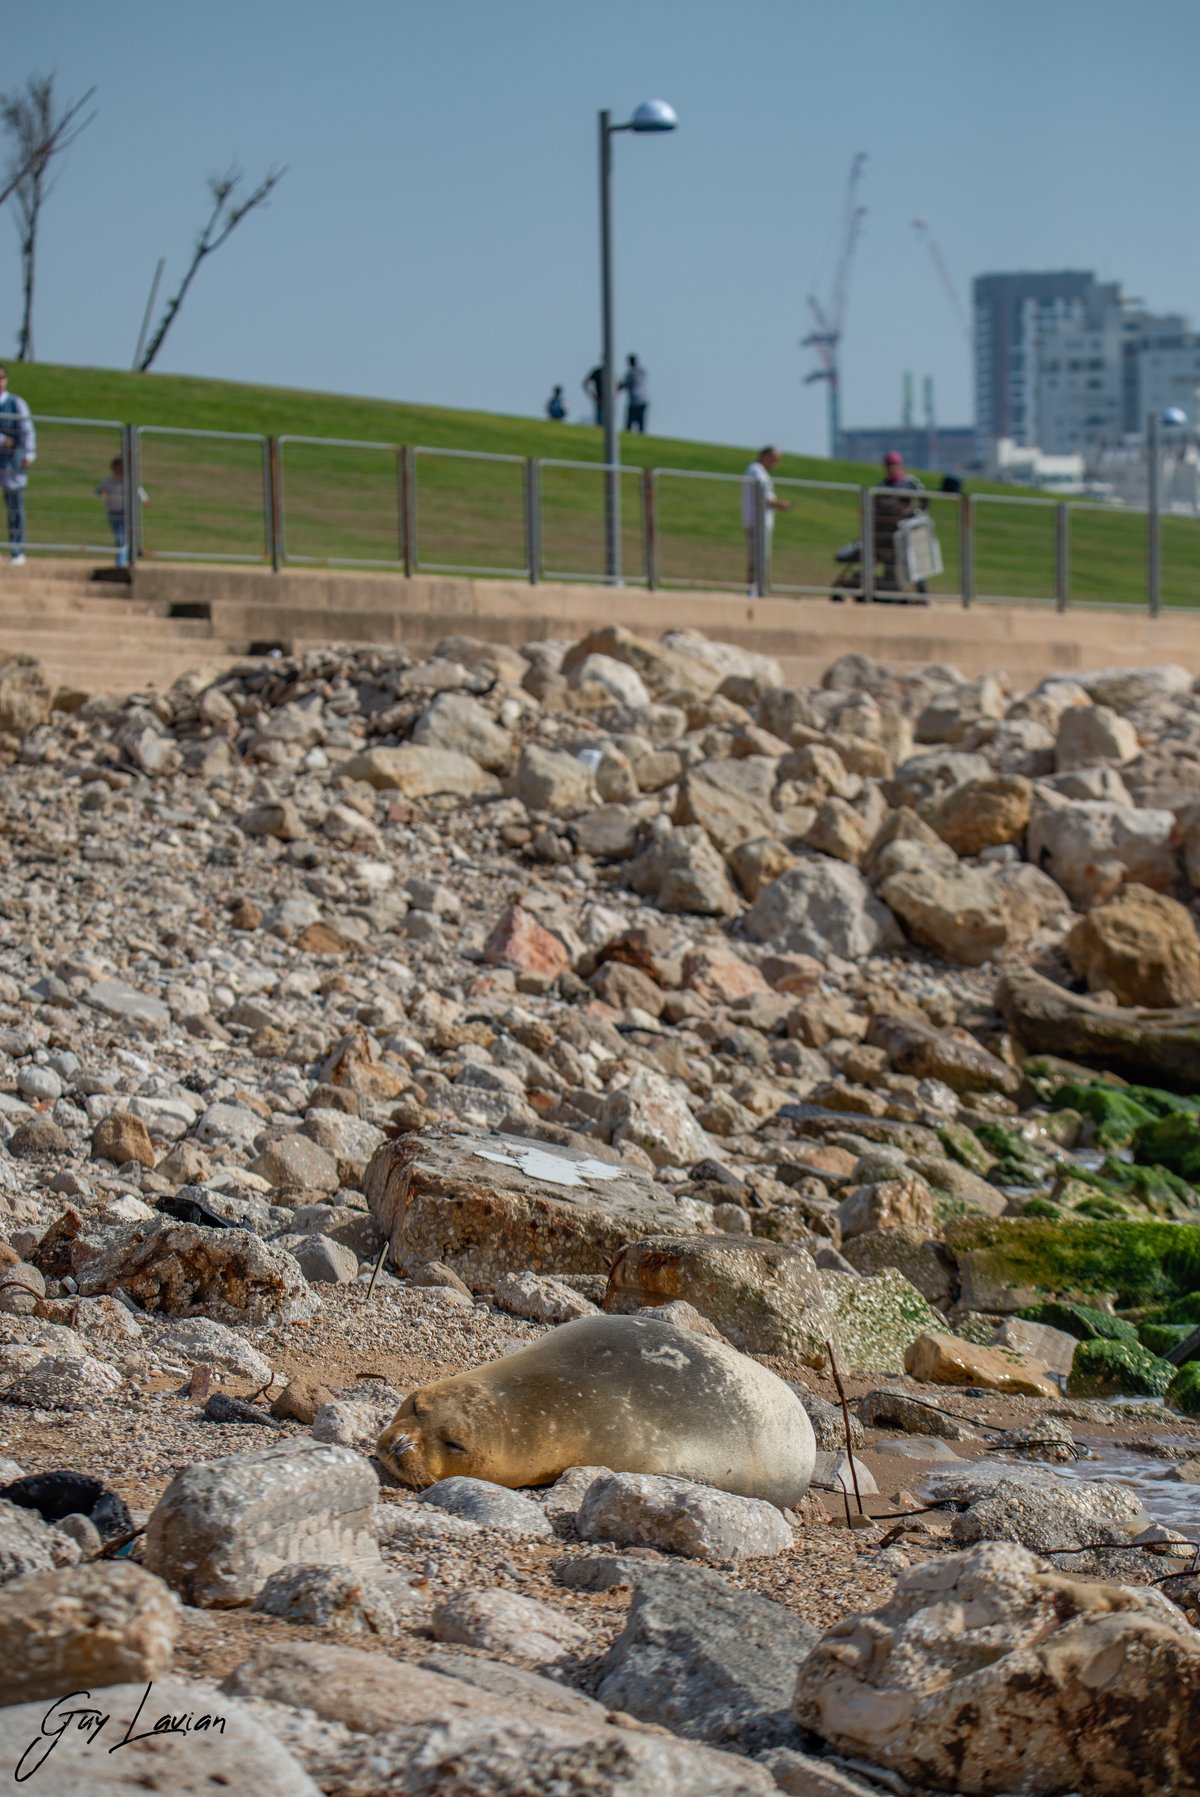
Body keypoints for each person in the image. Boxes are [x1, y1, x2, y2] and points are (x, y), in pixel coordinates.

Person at [873, 450, 926, 596]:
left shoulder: (910, 482)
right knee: (890, 563)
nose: (892, 467)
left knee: (914, 563)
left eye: (894, 464)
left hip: (907, 531)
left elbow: (925, 502)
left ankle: (922, 595)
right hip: (888, 533)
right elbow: (876, 507)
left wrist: (912, 514)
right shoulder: (882, 485)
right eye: (889, 464)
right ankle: (890, 595)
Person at [741, 446, 791, 593]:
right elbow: (760, 495)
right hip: (757, 522)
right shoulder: (755, 470)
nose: (775, 464)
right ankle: (754, 591)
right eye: (774, 460)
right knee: (758, 558)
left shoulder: (759, 471)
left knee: (763, 558)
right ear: (765, 456)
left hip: (762, 522)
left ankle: (758, 589)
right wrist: (778, 504)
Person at [0, 364, 35, 568]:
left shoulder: (16, 403)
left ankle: (17, 550)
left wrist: (29, 454)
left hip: (11, 462)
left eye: (1, 377)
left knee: (15, 507)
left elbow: (27, 430)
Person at [94, 455, 147, 568]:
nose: (119, 471)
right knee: (120, 537)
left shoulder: (130, 482)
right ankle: (123, 560)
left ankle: (123, 561)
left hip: (128, 513)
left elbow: (139, 491)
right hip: (114, 513)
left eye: (121, 469)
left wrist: (145, 500)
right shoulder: (108, 482)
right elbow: (98, 491)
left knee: (128, 537)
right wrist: (101, 493)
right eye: (117, 469)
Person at [619, 353, 649, 432]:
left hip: (635, 399)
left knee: (630, 422)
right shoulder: (642, 371)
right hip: (644, 398)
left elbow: (624, 385)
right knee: (641, 421)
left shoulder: (630, 373)